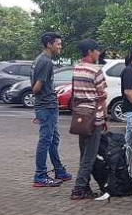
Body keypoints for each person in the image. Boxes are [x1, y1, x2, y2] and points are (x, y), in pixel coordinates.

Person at [70, 39, 108, 200]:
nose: (99, 53)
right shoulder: (96, 70)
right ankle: (78, 189)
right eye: (98, 50)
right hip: (94, 117)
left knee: (84, 152)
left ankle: (84, 187)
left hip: (80, 116)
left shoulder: (76, 68)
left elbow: (74, 93)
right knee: (90, 155)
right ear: (91, 51)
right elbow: (102, 96)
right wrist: (105, 116)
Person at [32, 32, 71, 187]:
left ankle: (59, 170)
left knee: (53, 140)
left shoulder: (40, 59)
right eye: (58, 44)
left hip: (47, 105)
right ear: (49, 44)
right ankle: (40, 175)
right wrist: (47, 95)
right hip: (46, 106)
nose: (60, 46)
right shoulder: (46, 62)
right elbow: (36, 88)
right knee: (45, 141)